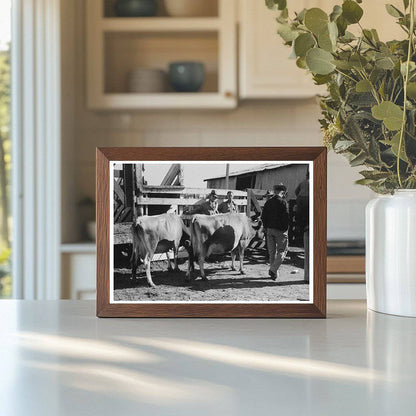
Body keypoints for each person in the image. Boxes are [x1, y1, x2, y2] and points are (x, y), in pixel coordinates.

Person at [261, 183, 289, 281]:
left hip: (269, 230)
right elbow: (286, 217)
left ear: (275, 191)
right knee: (282, 251)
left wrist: (265, 227)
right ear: (283, 192)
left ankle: (274, 274)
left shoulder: (268, 202)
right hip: (280, 231)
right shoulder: (283, 202)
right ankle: (273, 270)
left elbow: (263, 216)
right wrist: (285, 229)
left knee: (272, 252)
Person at [295, 171, 310, 282]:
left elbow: (296, 192)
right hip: (308, 199)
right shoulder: (312, 182)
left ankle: (300, 226)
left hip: (300, 198)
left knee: (300, 215)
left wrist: (300, 198)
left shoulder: (302, 182)